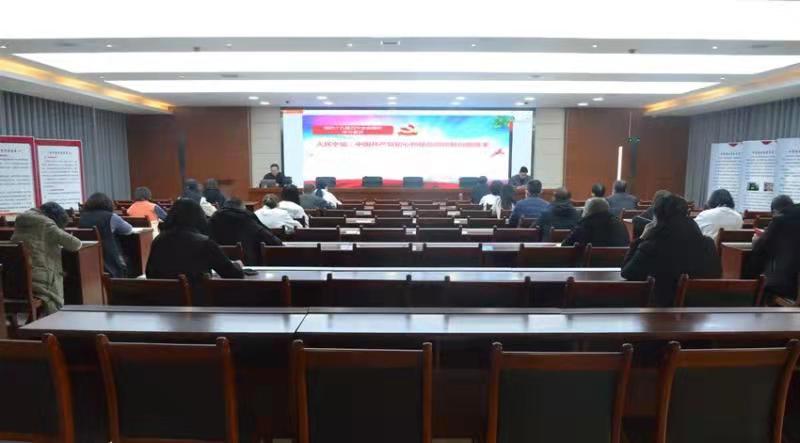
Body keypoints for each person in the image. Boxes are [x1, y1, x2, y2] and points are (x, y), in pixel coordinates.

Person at [621, 193, 721, 306]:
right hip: (700, 310)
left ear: (657, 217)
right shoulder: (708, 244)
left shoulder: (651, 245)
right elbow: (716, 274)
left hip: (661, 311)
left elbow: (627, 273)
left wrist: (641, 238)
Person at [146, 199, 244, 287]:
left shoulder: (158, 241)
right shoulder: (205, 243)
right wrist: (238, 265)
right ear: (199, 217)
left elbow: (149, 274)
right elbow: (233, 275)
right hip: (199, 299)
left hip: (163, 299)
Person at [11, 202, 82, 314]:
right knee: (65, 275)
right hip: (38, 281)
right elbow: (75, 244)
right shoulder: (46, 224)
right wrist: (61, 231)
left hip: (15, 279)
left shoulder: (21, 221)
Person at [209, 197, 282, 265]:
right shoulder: (246, 218)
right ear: (243, 207)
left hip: (219, 263)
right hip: (248, 264)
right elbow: (269, 237)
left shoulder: (214, 218)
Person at [750, 203, 800, 301]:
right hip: (793, 284)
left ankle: (749, 299)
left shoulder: (780, 221)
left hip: (787, 286)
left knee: (755, 263)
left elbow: (760, 247)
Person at [78, 192, 133, 278]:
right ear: (107, 204)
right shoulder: (111, 216)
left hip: (88, 258)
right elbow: (128, 230)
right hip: (110, 259)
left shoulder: (83, 217)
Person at [562, 197, 629, 247]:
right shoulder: (619, 223)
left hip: (591, 261)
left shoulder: (585, 225)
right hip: (618, 261)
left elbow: (565, 245)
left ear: (588, 210)